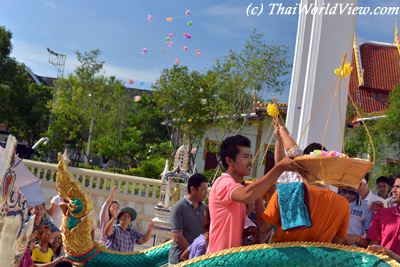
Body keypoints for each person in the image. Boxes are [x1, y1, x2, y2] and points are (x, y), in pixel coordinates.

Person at [206, 134, 307, 254]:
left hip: (231, 259)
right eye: (245, 157)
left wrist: (247, 231)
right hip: (218, 259)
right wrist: (279, 167)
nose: (250, 162)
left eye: (251, 157)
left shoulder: (238, 187)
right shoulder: (223, 182)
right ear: (229, 160)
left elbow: (263, 226)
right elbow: (247, 195)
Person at [261, 124, 350, 245]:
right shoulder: (342, 203)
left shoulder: (286, 192)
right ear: (326, 167)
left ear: (302, 164)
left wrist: (281, 132)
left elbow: (264, 228)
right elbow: (338, 241)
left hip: (285, 257)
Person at [169, 174, 208, 265]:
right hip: (179, 260)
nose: (206, 192)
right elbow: (177, 236)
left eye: (206, 189)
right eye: (203, 189)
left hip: (197, 259)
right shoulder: (179, 208)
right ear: (193, 189)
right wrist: (192, 253)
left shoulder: (205, 209)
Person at [367, 176, 400, 256]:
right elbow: (372, 247)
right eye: (393, 187)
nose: (393, 190)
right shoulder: (382, 213)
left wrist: (390, 253)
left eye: (398, 187)